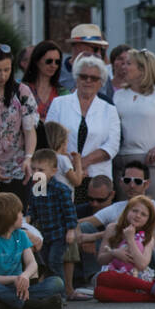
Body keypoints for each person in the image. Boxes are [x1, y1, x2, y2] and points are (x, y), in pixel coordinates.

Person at [0, 192, 64, 309]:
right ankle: (34, 304)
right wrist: (14, 279)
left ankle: (5, 304)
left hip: (20, 286)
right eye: (19, 212)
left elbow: (32, 263)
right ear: (8, 216)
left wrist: (25, 276)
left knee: (57, 282)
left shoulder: (21, 235)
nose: (22, 215)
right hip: (0, 287)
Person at [47, 55, 121, 210]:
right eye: (83, 76)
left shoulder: (109, 109)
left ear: (101, 82)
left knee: (91, 222)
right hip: (63, 173)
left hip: (96, 178)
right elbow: (49, 138)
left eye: (94, 78)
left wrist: (82, 163)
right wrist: (69, 165)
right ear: (76, 78)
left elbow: (112, 145)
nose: (88, 81)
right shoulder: (59, 104)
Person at [113, 49, 155, 202]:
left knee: (149, 209)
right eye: (123, 63)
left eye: (128, 63)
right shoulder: (118, 95)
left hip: (151, 160)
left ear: (142, 69)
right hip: (122, 160)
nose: (123, 67)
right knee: (123, 210)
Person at [93, 195, 155, 302]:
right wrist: (114, 253)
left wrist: (130, 239)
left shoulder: (150, 236)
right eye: (134, 211)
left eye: (143, 214)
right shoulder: (112, 228)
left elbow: (142, 265)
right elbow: (100, 259)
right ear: (127, 211)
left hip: (137, 278)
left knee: (104, 280)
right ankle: (154, 296)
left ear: (148, 220)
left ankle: (151, 288)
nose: (138, 215)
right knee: (99, 290)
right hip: (114, 275)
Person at [0, 43, 37, 200]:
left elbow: (29, 130)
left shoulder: (21, 92)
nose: (2, 75)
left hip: (17, 166)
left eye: (7, 70)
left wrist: (28, 157)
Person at [24, 148, 77, 286]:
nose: (36, 173)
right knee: (45, 261)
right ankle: (49, 289)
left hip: (59, 233)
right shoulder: (35, 188)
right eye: (34, 169)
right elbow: (33, 208)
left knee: (55, 261)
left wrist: (71, 229)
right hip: (44, 232)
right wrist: (28, 217)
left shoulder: (61, 189)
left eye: (40, 170)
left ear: (53, 171)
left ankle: (61, 291)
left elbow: (69, 211)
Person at [59, 24, 113, 102]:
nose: (99, 54)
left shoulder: (103, 74)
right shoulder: (58, 73)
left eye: (101, 50)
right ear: (78, 47)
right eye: (95, 49)